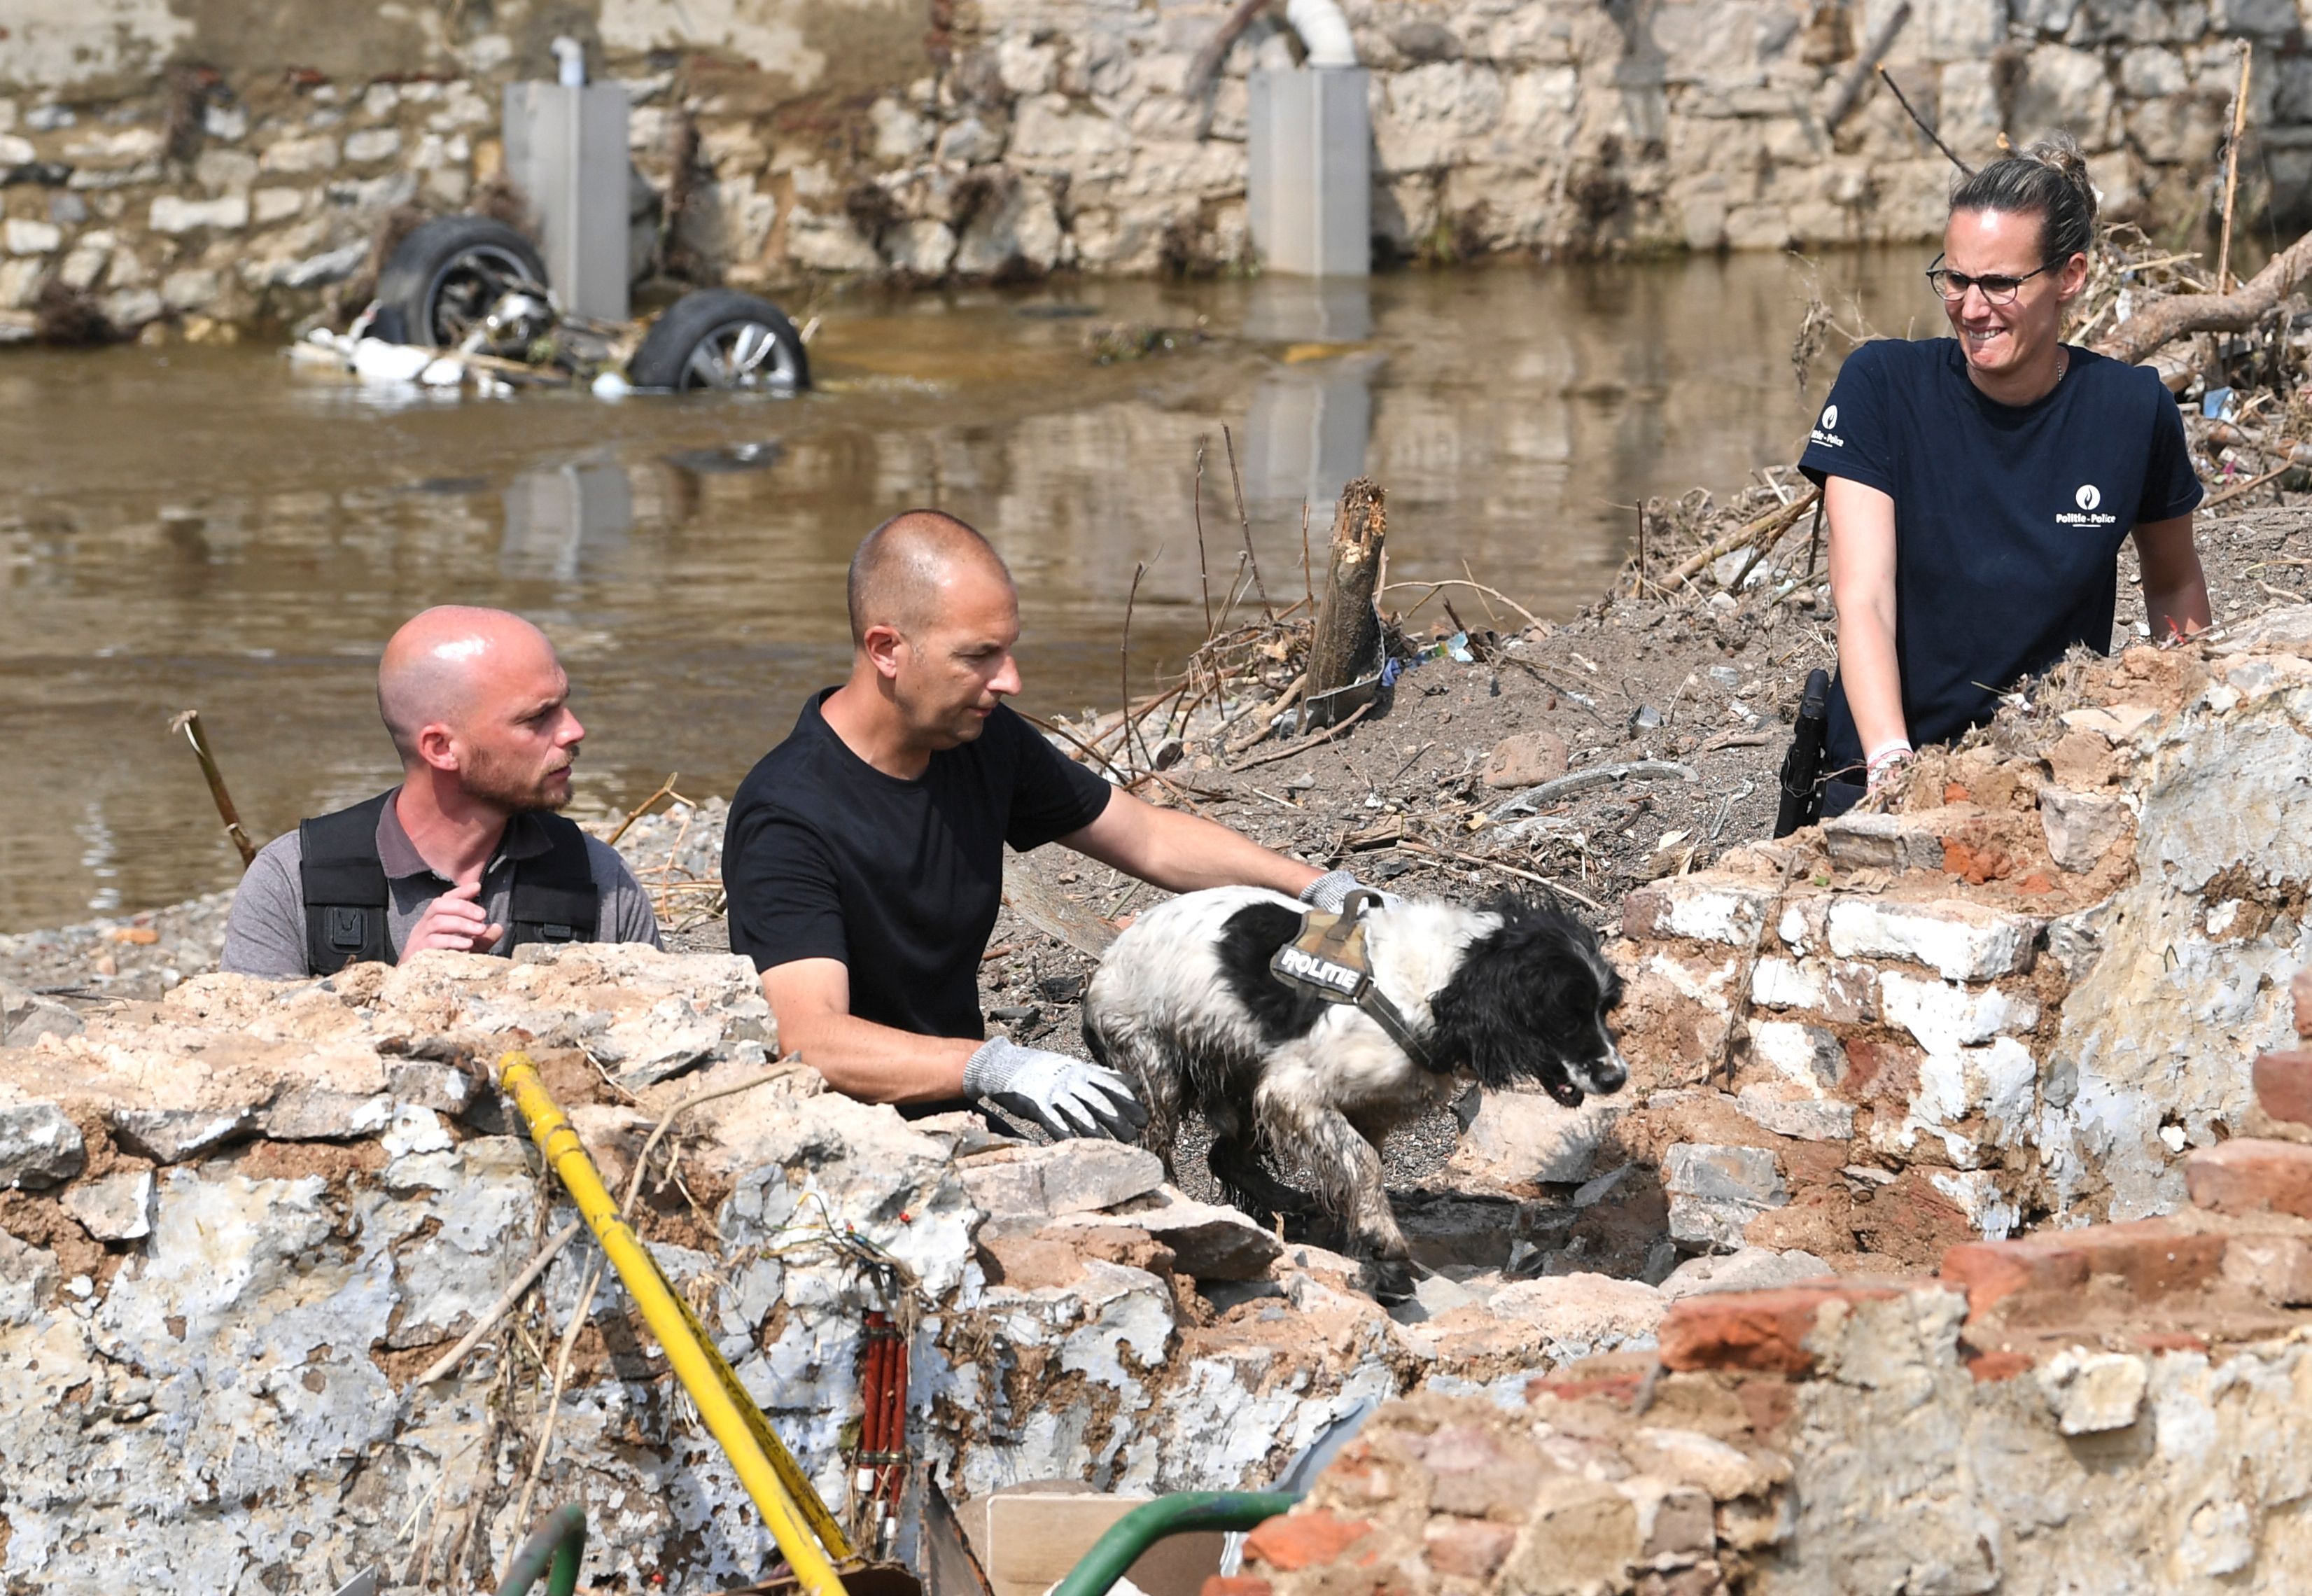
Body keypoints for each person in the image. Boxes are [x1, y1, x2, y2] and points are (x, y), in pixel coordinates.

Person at [721, 510, 1369, 1140]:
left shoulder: (978, 737)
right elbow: (810, 1038)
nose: (1011, 680)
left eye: (1009, 649)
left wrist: (1318, 889)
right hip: (843, 1133)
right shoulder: (786, 816)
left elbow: (1146, 836)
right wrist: (994, 1066)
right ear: (887, 649)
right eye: (979, 655)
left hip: (956, 1109)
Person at [1798, 132, 2209, 816]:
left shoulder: (2132, 410)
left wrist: (2192, 733)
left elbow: (2174, 583)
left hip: (2046, 777)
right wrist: (1894, 769)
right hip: (1879, 772)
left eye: (2001, 283)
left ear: (2069, 278)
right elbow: (1862, 595)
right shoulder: (1881, 387)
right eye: (1956, 279)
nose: (1972, 307)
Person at [221, 606, 662, 976]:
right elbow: (250, 1061)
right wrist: (409, 987)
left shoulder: (598, 881)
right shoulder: (292, 882)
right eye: (537, 718)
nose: (574, 730)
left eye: (564, 704)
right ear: (442, 748)